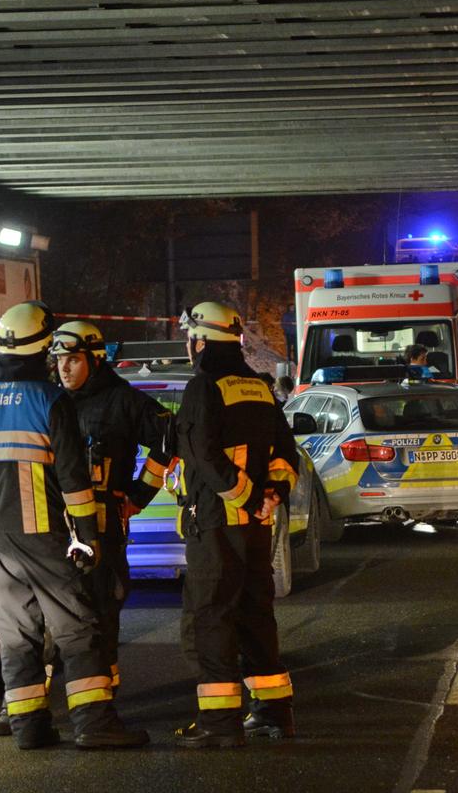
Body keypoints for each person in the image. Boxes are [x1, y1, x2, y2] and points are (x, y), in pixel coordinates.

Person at [0, 302, 148, 751]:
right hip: (45, 536)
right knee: (78, 628)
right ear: (42, 347)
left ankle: (28, 727)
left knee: (17, 633)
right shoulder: (50, 399)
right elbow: (73, 478)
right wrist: (88, 536)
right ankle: (94, 723)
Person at [173, 301, 299, 748]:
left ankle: (219, 723)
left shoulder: (204, 387)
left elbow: (201, 454)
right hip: (255, 528)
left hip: (217, 525)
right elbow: (287, 454)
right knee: (255, 617)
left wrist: (243, 497)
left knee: (210, 619)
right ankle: (272, 713)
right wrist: (270, 496)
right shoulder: (260, 387)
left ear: (200, 341)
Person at [49, 321, 174, 705]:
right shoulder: (53, 402)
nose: (63, 369)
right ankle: (44, 697)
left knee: (102, 611)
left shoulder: (123, 401)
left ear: (96, 359)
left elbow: (168, 439)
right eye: (58, 361)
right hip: (55, 528)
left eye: (72, 359)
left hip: (104, 530)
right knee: (50, 616)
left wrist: (139, 495)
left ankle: (102, 696)